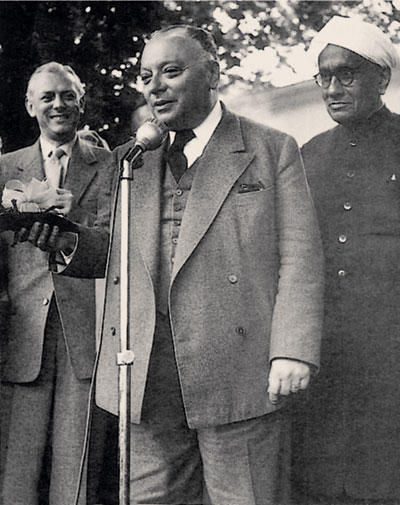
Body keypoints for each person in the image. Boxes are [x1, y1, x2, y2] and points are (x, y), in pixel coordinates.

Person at [292, 16, 400, 505]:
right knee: (322, 482)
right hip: (328, 357)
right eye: (324, 77)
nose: (333, 89)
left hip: (390, 356)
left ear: (382, 78)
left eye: (347, 75)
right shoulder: (308, 155)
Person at [0, 62, 113, 505]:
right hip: (21, 334)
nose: (58, 105)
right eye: (47, 97)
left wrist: (73, 227)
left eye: (68, 95)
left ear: (81, 103)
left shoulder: (111, 165)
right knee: (16, 472)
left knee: (77, 470)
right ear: (31, 106)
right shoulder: (5, 168)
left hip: (85, 335)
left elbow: (119, 241)